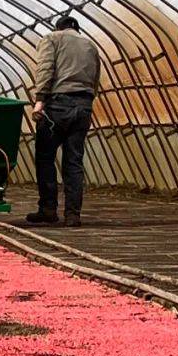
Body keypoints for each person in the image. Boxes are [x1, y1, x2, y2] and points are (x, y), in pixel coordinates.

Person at [27, 16, 101, 228]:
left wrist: (40, 100)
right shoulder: (90, 45)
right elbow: (95, 77)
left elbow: (45, 69)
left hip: (58, 105)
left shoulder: (52, 38)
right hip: (83, 105)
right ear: (76, 28)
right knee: (74, 161)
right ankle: (73, 214)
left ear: (58, 27)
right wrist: (87, 101)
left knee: (45, 156)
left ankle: (49, 209)